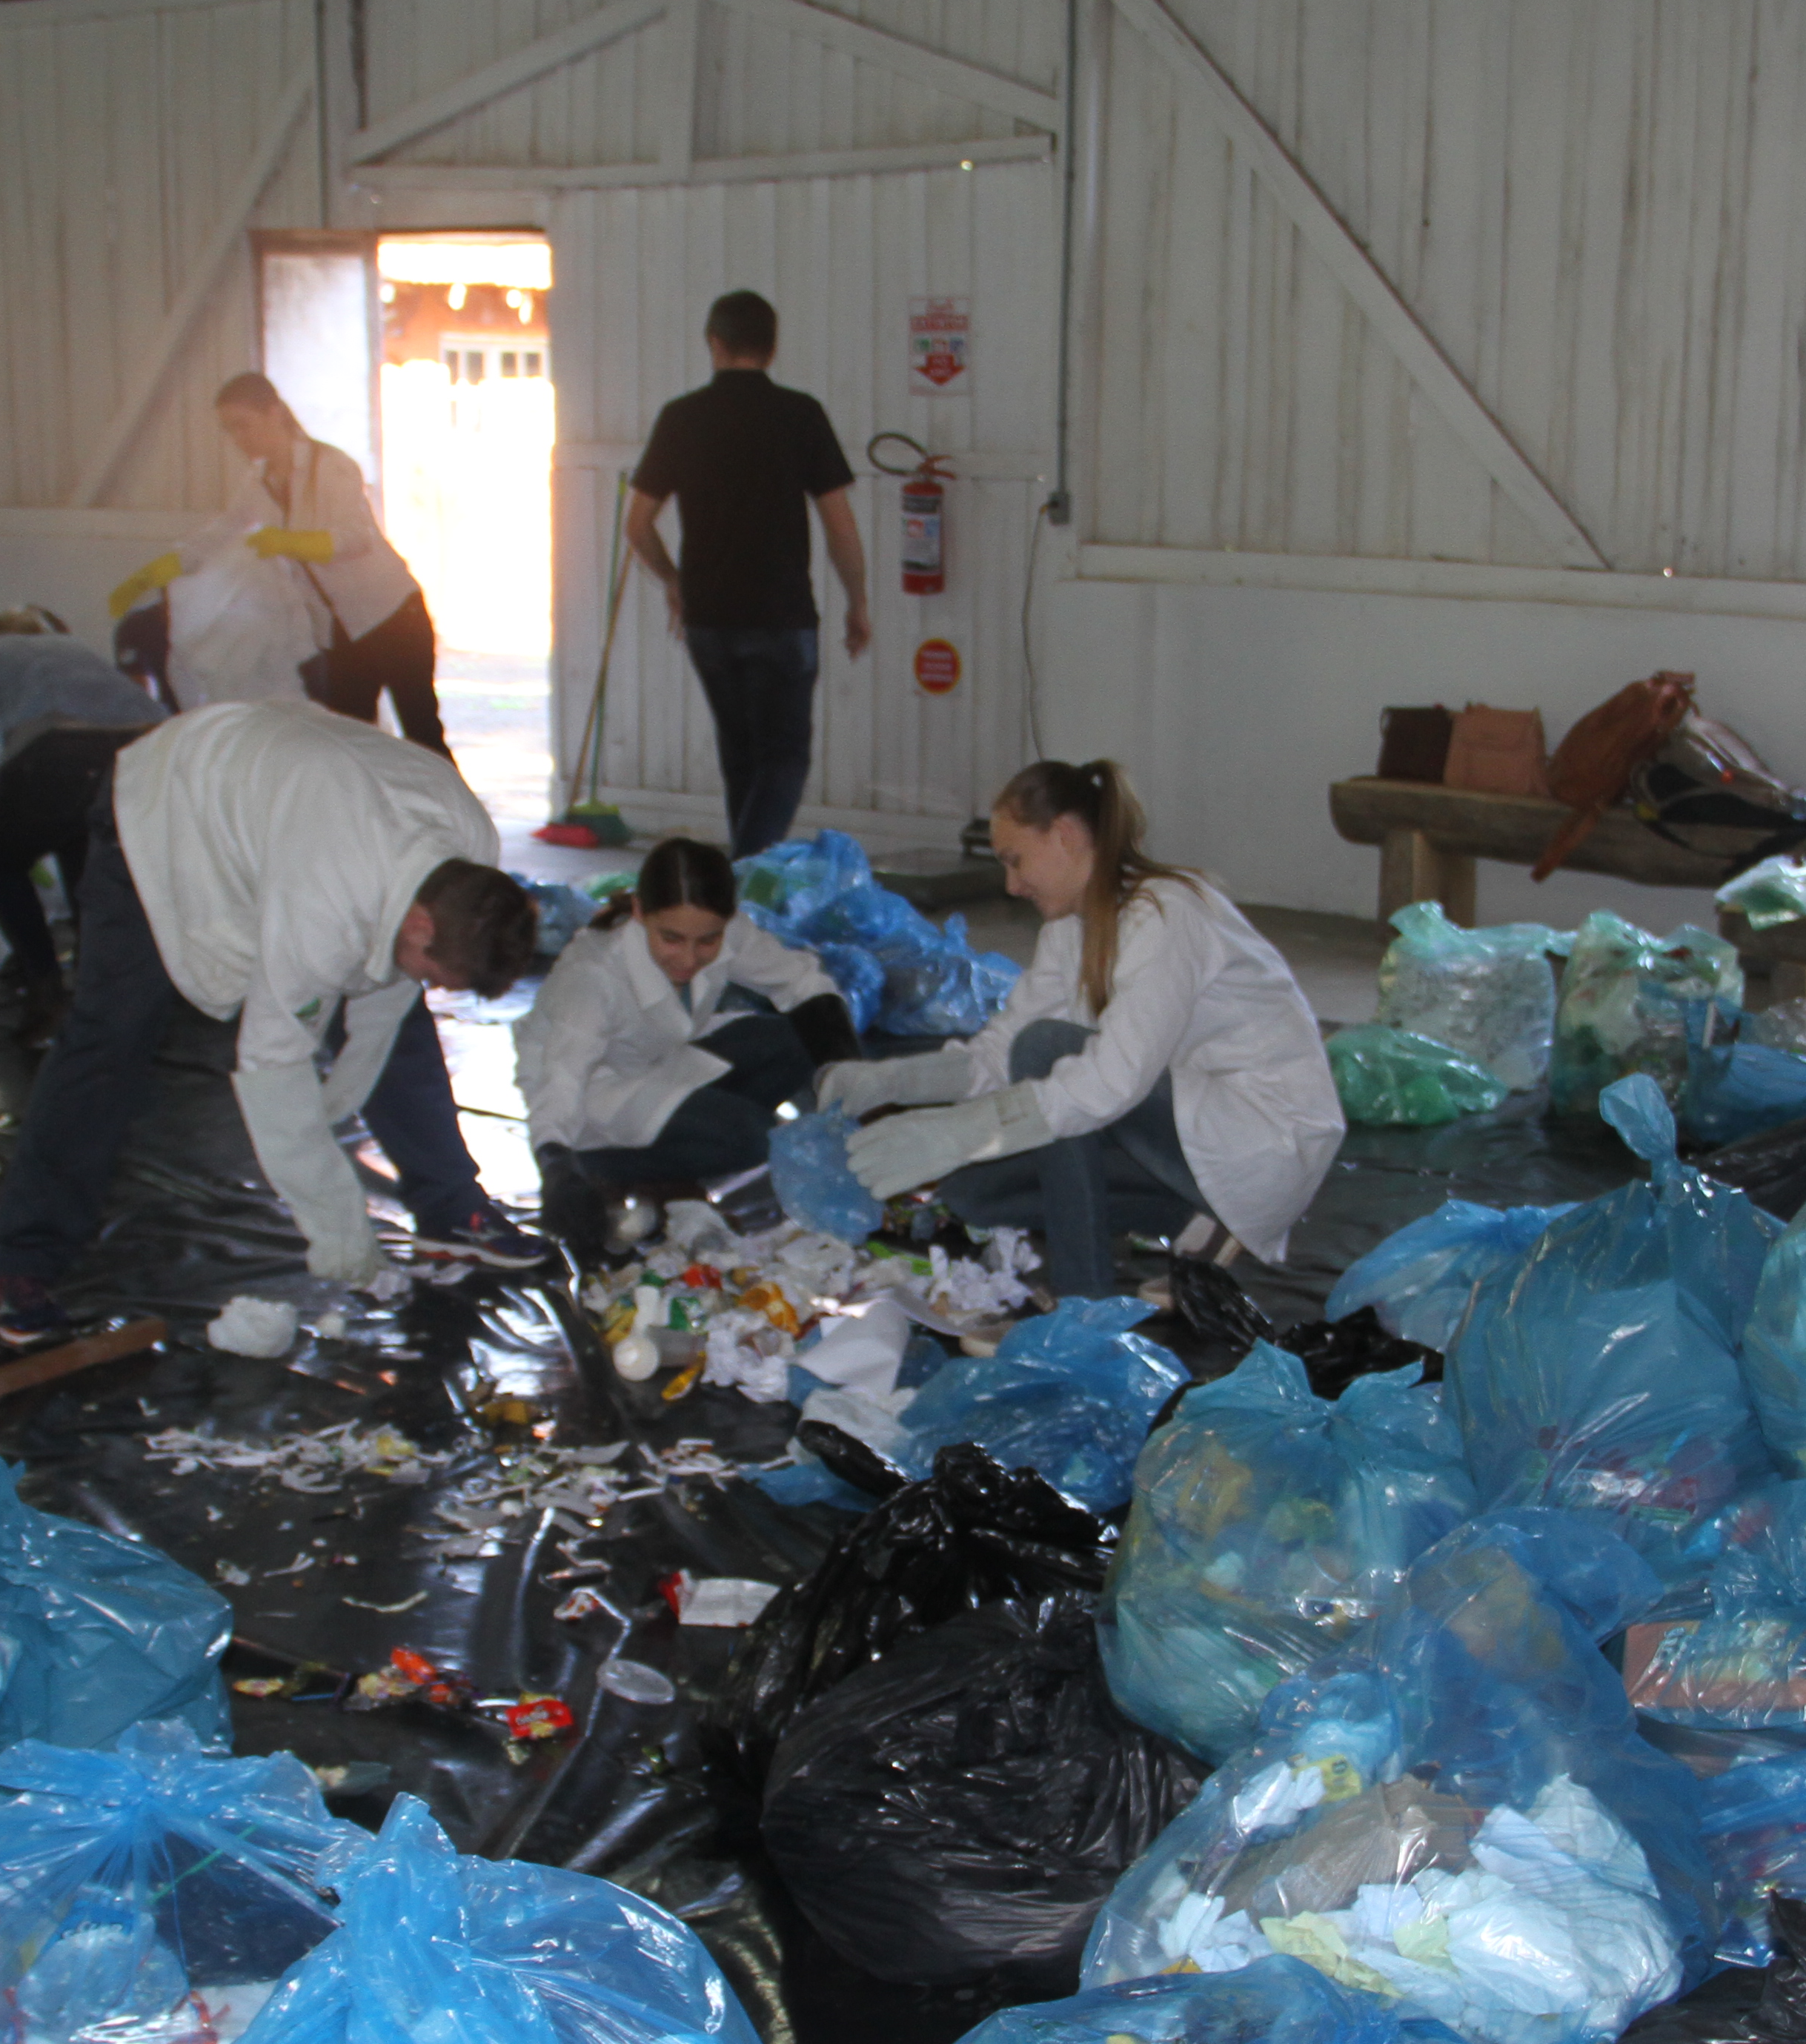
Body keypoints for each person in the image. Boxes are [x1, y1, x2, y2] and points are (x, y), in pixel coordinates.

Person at [0, 701, 547, 1350]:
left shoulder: (471, 850)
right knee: (110, 1036)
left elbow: (387, 1006)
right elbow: (271, 1068)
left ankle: (452, 1210)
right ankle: (21, 1264)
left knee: (401, 1011)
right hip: (167, 808)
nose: (439, 987)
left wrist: (336, 1104)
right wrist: (338, 1231)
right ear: (420, 923)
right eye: (439, 972)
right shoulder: (325, 905)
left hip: (284, 798)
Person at [820, 759, 1341, 1298]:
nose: (1012, 884)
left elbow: (1112, 1081)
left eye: (1016, 860)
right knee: (975, 1189)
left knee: (1046, 1051)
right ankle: (1196, 1217)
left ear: (1066, 835)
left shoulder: (1166, 913)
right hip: (1193, 1138)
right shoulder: (1070, 930)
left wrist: (963, 1130)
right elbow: (994, 1058)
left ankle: (1081, 1303)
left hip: (1264, 1140)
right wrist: (890, 1083)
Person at [517, 837, 860, 1262]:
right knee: (751, 1135)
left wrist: (852, 1074)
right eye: (672, 939)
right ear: (640, 912)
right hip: (594, 1096)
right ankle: (607, 1167)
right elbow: (561, 1078)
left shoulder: (723, 930)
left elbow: (801, 983)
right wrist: (556, 1166)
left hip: (660, 1060)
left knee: (794, 1041)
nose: (689, 959)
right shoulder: (592, 975)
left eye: (707, 941)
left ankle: (687, 1142)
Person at [625, 291, 872, 857]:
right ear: (773, 346)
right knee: (784, 756)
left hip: (710, 617)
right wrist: (857, 601)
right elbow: (840, 527)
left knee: (741, 757)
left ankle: (740, 891)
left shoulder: (681, 418)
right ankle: (741, 881)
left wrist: (674, 580)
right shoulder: (800, 414)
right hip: (782, 615)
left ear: (714, 343)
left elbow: (637, 525)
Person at [107, 374, 442, 751]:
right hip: (341, 634)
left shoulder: (330, 466)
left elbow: (356, 536)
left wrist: (294, 542)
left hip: (392, 616)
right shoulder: (259, 480)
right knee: (353, 747)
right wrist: (163, 568)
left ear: (275, 414)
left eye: (244, 426)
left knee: (422, 735)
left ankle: (450, 811)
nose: (238, 439)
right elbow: (224, 531)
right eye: (230, 430)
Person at [0, 606, 165, 1045]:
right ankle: (101, 996)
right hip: (151, 745)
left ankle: (46, 993)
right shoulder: (70, 646)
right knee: (85, 859)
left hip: (60, 745)